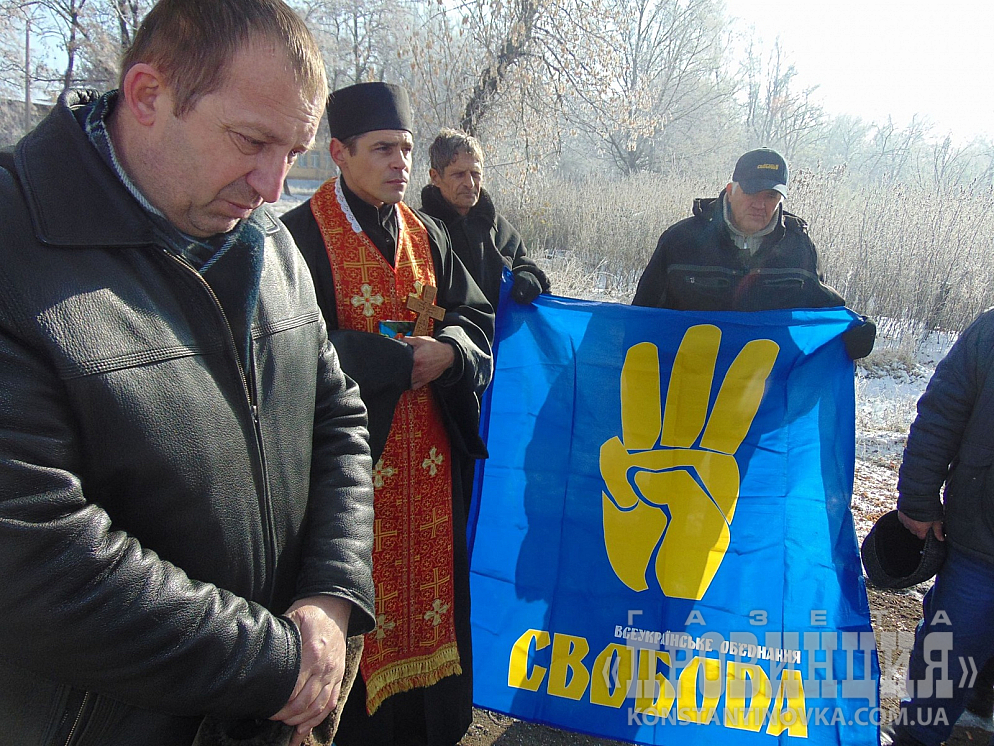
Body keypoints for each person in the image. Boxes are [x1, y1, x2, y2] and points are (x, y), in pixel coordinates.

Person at [0, 1, 377, 745]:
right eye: (252, 141)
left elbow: (336, 417)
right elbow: (32, 556)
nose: (272, 185)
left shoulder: (266, 240)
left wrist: (332, 593)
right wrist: (281, 662)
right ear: (147, 95)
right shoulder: (17, 244)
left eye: (293, 150)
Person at [281, 83, 493, 746]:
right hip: (348, 467)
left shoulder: (428, 233)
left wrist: (450, 351)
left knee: (433, 597)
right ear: (339, 152)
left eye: (405, 148)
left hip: (429, 459)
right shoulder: (298, 237)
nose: (399, 162)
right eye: (382, 149)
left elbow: (474, 316)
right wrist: (392, 362)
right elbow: (291, 346)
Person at [883, 309, 994, 746]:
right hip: (980, 543)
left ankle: (980, 705)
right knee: (951, 645)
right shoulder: (989, 332)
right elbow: (940, 417)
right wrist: (918, 500)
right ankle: (918, 734)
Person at [420, 128, 551, 309]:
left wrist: (528, 277)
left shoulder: (500, 229)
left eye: (475, 174)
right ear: (435, 177)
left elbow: (522, 264)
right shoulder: (418, 231)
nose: (470, 183)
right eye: (458, 175)